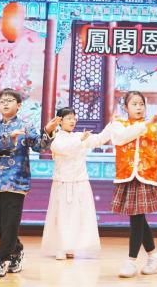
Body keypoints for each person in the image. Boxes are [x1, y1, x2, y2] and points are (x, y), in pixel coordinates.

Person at [109, 91, 157, 278]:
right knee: (138, 217)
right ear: (126, 107)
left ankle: (131, 261)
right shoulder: (119, 124)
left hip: (145, 176)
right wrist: (145, 125)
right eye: (134, 104)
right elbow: (122, 137)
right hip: (127, 175)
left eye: (141, 104)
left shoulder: (154, 127)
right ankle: (153, 256)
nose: (139, 107)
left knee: (137, 217)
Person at [0, 88, 54, 278]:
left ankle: (0, 259)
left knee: (10, 222)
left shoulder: (26, 125)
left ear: (19, 105)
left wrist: (48, 131)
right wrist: (9, 139)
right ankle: (16, 250)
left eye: (10, 100)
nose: (5, 103)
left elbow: (40, 147)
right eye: (1, 101)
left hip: (16, 180)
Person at [41, 107, 109, 260]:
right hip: (63, 182)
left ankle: (71, 246)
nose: (73, 121)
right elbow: (64, 149)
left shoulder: (79, 136)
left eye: (74, 118)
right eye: (69, 118)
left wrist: (112, 126)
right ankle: (61, 247)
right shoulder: (56, 138)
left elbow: (98, 139)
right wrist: (81, 140)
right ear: (60, 121)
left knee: (78, 216)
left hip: (80, 181)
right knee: (61, 216)